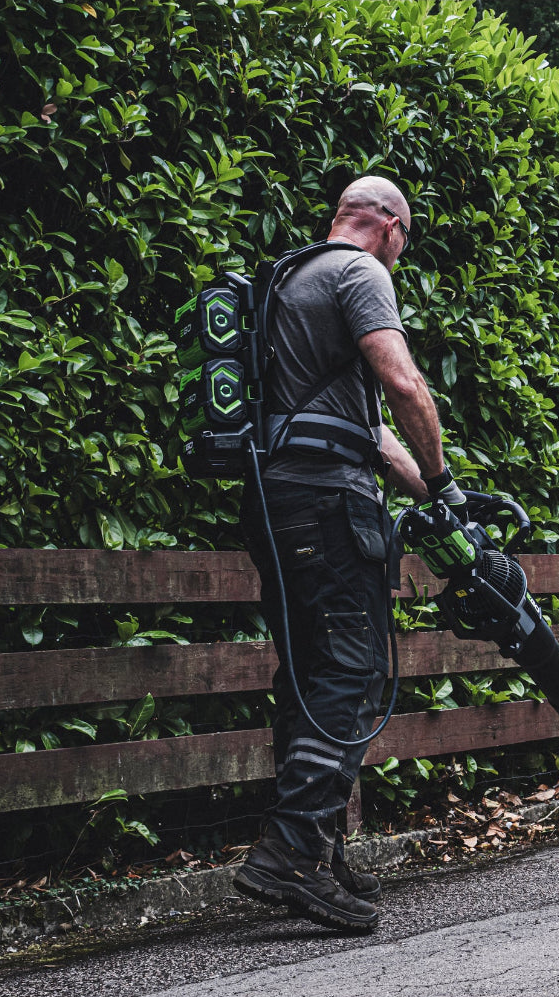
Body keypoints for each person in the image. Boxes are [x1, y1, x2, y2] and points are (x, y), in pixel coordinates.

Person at [233, 176, 466, 932]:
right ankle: (292, 853)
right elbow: (403, 385)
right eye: (406, 241)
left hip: (274, 501)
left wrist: (425, 491)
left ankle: (318, 851)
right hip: (328, 504)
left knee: (307, 673)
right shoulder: (361, 272)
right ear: (392, 228)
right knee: (349, 670)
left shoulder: (286, 280)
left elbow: (362, 427)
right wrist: (445, 480)